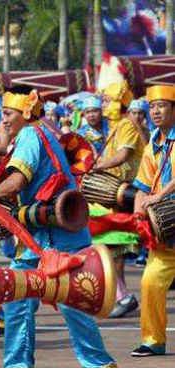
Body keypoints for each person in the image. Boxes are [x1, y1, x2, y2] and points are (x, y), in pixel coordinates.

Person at [0, 89, 116, 368]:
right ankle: (18, 365)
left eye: (8, 114)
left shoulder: (31, 135)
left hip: (56, 236)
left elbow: (18, 182)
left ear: (25, 112)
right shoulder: (36, 134)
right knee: (18, 300)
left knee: (73, 303)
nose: (4, 120)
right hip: (38, 235)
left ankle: (99, 364)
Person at [80, 86, 146, 318]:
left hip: (132, 191)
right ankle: (121, 296)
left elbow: (124, 156)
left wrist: (98, 167)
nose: (102, 104)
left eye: (106, 100)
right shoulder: (112, 127)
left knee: (117, 245)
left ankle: (123, 296)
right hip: (117, 194)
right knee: (111, 246)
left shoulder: (126, 124)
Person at [131, 85, 175, 358]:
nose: (156, 112)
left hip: (166, 206)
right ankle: (153, 340)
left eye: (162, 106)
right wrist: (138, 216)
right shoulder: (152, 145)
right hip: (167, 226)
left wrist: (159, 196)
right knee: (150, 282)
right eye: (153, 107)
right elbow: (142, 186)